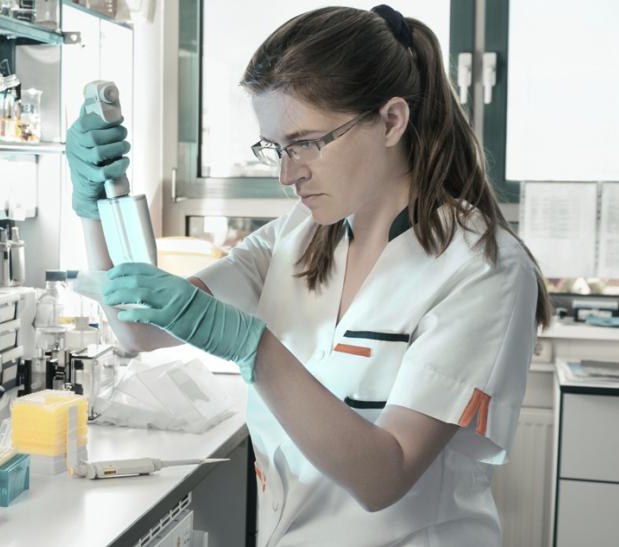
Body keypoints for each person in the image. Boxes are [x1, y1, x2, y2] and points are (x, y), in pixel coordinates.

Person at [66, 5, 551, 545]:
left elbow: (383, 475)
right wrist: (94, 207)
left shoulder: (483, 268)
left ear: (391, 121)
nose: (286, 173)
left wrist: (255, 349)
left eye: (305, 143)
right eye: (276, 146)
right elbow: (139, 330)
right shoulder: (296, 235)